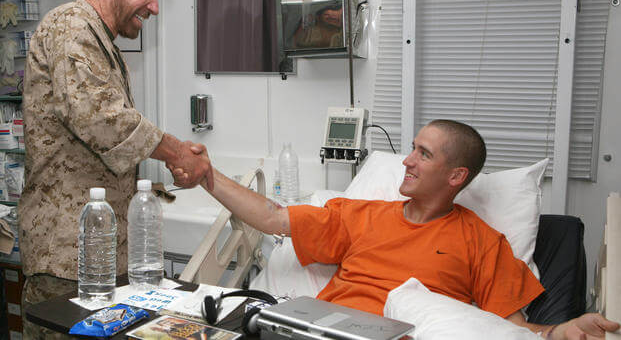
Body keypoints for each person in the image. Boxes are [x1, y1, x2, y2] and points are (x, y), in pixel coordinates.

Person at [171, 119, 619, 339]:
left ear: (456, 176)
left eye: (423, 154)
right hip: (316, 332)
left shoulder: (483, 242)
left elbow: (511, 330)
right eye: (411, 149)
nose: (407, 160)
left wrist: (560, 332)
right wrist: (210, 176)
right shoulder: (361, 214)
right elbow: (272, 217)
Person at [19, 0, 213, 339]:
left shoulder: (100, 41)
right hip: (68, 261)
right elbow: (102, 119)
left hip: (96, 258)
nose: (155, 7)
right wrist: (177, 151)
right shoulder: (70, 27)